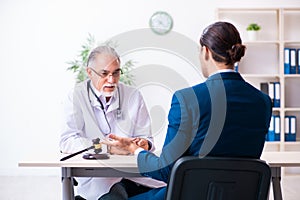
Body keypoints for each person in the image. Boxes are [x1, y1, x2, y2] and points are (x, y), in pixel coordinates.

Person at [102, 21, 273, 200]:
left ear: (205, 51)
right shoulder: (262, 102)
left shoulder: (188, 99)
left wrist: (134, 149)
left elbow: (164, 170)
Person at [59, 45, 165, 200]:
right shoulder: (77, 96)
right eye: (104, 74)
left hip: (134, 174)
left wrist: (143, 144)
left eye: (116, 73)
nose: (111, 80)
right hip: (97, 177)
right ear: (89, 72)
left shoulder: (133, 95)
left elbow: (147, 139)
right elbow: (67, 141)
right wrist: (107, 148)